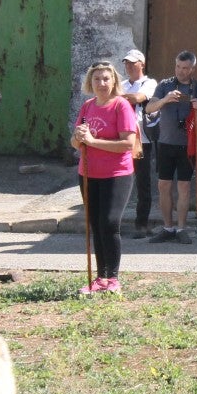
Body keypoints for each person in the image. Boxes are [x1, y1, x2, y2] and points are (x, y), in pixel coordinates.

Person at [71, 62, 138, 295]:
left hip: (116, 174)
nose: (102, 83)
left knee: (109, 222)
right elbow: (75, 141)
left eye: (106, 79)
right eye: (97, 79)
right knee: (96, 224)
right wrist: (79, 138)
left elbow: (128, 144)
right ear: (91, 82)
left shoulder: (121, 106)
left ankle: (114, 279)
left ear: (114, 82)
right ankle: (100, 278)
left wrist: (92, 141)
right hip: (89, 173)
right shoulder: (87, 106)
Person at [144, 51, 197, 244]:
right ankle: (167, 227)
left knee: (184, 186)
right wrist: (165, 99)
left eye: (185, 68)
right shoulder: (164, 85)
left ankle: (181, 228)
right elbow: (149, 108)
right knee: (163, 185)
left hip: (187, 145)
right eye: (178, 67)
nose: (181, 72)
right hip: (165, 143)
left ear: (192, 68)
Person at [119, 50, 157, 238]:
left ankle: (141, 223)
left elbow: (139, 98)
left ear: (142, 64)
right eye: (126, 63)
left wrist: (117, 98)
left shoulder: (149, 83)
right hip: (121, 138)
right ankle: (114, 221)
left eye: (133, 63)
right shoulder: (122, 85)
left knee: (143, 182)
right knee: (119, 180)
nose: (128, 67)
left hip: (141, 140)